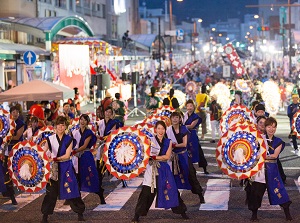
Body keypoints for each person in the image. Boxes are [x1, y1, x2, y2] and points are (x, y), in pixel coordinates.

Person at [131, 121, 189, 223]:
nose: (160, 131)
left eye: (162, 129)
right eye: (158, 128)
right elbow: (143, 153)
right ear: (155, 130)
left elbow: (166, 157)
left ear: (165, 130)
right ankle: (137, 215)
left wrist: (154, 157)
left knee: (172, 191)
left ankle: (182, 211)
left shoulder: (169, 142)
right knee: (146, 193)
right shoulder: (149, 141)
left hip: (164, 169)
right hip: (151, 169)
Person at [245, 117, 292, 221]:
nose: (271, 129)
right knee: (256, 194)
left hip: (272, 172)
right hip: (260, 172)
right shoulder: (259, 139)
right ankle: (254, 215)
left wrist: (258, 157)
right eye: (269, 126)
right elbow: (251, 150)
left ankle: (287, 214)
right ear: (265, 127)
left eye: (274, 127)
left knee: (280, 192)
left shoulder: (278, 141)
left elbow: (274, 155)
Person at [41, 116, 85, 223]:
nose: (61, 127)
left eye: (63, 125)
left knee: (73, 191)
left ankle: (80, 213)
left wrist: (54, 158)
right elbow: (42, 151)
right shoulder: (50, 139)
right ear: (55, 126)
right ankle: (45, 216)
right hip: (54, 170)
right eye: (59, 125)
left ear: (65, 126)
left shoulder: (69, 139)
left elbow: (67, 155)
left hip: (66, 168)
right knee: (50, 193)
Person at [166, 112, 205, 203]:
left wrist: (173, 145)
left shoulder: (183, 129)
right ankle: (176, 199)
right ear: (171, 119)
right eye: (173, 117)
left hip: (183, 155)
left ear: (180, 119)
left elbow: (184, 144)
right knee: (173, 177)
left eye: (177, 117)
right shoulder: (168, 130)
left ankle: (200, 194)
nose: (175, 119)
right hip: (173, 157)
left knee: (191, 175)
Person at [71, 114, 103, 203]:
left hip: (85, 156)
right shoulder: (75, 132)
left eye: (85, 120)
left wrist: (74, 151)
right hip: (77, 157)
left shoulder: (88, 132)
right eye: (81, 119)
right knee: (77, 177)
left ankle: (100, 193)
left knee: (90, 175)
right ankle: (76, 198)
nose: (82, 121)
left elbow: (85, 146)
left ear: (87, 122)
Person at [96, 106, 117, 204]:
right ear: (104, 112)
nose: (108, 113)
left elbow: (112, 134)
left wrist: (103, 138)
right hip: (99, 147)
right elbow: (95, 133)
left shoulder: (113, 123)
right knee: (99, 169)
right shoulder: (99, 123)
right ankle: (99, 187)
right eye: (107, 112)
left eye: (110, 112)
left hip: (108, 147)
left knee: (107, 166)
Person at [183, 99, 208, 174]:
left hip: (192, 135)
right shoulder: (184, 115)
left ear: (194, 107)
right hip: (185, 135)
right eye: (188, 106)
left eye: (191, 106)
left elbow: (191, 126)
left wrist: (182, 126)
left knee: (198, 151)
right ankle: (190, 168)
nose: (189, 107)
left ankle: (204, 167)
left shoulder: (196, 116)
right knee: (186, 151)